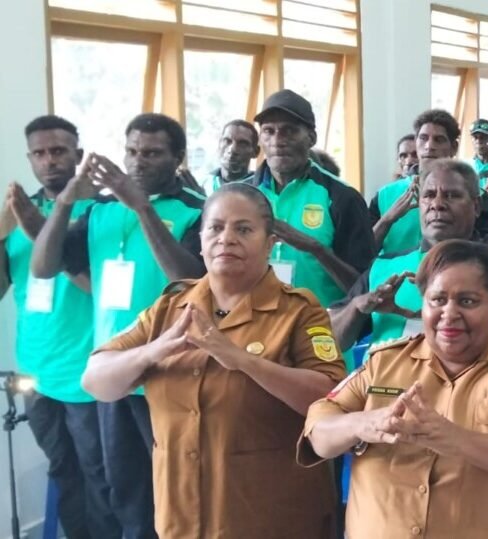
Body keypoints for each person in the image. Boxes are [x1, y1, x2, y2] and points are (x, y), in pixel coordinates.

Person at [80, 182, 344, 537]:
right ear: (201, 239)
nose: (227, 238)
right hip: (182, 516)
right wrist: (153, 351)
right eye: (216, 228)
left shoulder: (299, 310)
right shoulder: (170, 307)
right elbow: (96, 380)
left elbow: (328, 395)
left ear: (270, 243)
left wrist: (242, 360)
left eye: (244, 229)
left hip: (270, 519)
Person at [299, 239, 488, 538]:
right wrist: (363, 423)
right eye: (438, 299)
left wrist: (456, 440)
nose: (449, 313)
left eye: (467, 301)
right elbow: (318, 431)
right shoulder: (383, 363)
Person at [32, 112, 207, 539]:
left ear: (178, 157)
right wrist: (66, 202)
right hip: (116, 376)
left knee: (181, 490)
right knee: (125, 493)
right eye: (131, 151)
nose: (137, 161)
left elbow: (189, 281)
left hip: (174, 376)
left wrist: (142, 207)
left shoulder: (195, 211)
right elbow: (43, 266)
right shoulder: (99, 213)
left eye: (151, 153)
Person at [0, 115, 120, 539]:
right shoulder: (18, 214)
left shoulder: (102, 213)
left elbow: (106, 288)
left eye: (58, 151)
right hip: (36, 372)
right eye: (39, 153)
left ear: (77, 153)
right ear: (29, 158)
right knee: (62, 470)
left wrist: (43, 233)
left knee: (100, 476)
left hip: (88, 372)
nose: (49, 161)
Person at [331, 159, 488, 353]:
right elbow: (331, 340)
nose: (437, 204)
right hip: (390, 397)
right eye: (429, 195)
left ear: (476, 206)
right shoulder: (384, 267)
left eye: (451, 195)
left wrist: (482, 316)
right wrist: (357, 307)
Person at [250, 89, 373, 306]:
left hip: (321, 328)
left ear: (311, 138)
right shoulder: (240, 196)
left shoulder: (342, 197)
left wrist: (316, 249)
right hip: (253, 326)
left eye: (289, 131)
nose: (278, 141)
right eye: (269, 131)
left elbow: (363, 289)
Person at [370, 109, 488, 255]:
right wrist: (387, 220)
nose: (429, 146)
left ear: (454, 147)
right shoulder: (385, 195)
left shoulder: (472, 195)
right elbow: (362, 252)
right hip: (398, 275)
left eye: (439, 139)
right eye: (423, 138)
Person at [203, 119, 258, 195]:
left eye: (242, 144)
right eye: (227, 141)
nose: (232, 149)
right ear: (219, 145)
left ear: (255, 152)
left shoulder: (261, 189)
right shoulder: (203, 184)